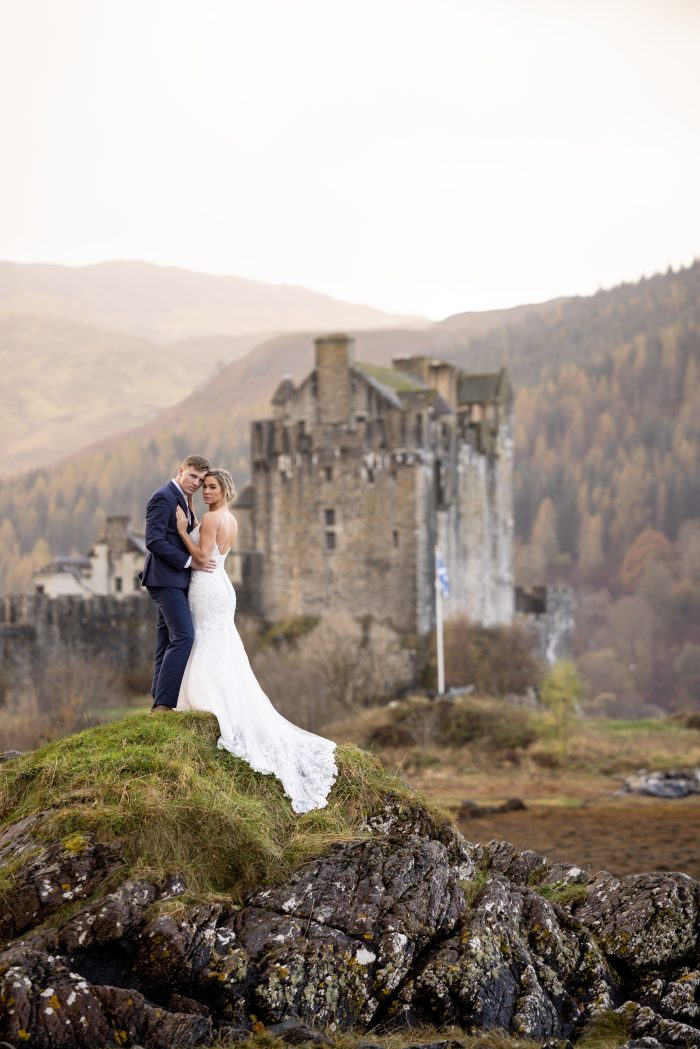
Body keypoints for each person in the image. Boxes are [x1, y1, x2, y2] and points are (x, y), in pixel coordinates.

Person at [175, 467, 337, 813]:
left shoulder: (212, 519)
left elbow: (201, 558)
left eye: (211, 487)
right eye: (204, 487)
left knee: (207, 639)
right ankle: (220, 697)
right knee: (220, 642)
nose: (206, 492)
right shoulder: (231, 520)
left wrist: (180, 532)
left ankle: (209, 701)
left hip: (207, 586)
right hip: (222, 585)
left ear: (224, 490)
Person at [141, 455, 215, 713]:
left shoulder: (183, 499)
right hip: (164, 579)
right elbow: (153, 541)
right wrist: (189, 562)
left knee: (166, 641)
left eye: (201, 480)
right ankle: (164, 705)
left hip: (175, 580)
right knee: (184, 636)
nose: (196, 483)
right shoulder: (163, 497)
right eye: (192, 476)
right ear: (181, 470)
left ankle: (158, 703)